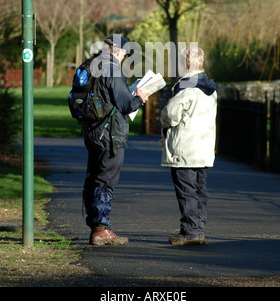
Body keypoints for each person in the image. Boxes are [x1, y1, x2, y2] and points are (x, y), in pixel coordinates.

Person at [82, 34, 149, 246]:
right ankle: (101, 229)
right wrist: (139, 97)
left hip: (93, 132)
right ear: (119, 51)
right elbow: (126, 104)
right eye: (125, 54)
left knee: (94, 178)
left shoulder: (90, 64)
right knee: (105, 182)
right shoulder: (112, 69)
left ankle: (96, 227)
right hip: (109, 135)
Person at [160, 46, 217, 245]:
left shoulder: (186, 88)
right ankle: (198, 229)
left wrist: (164, 121)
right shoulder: (210, 88)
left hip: (185, 147)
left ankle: (189, 232)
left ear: (186, 64)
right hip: (204, 146)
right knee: (200, 189)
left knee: (186, 191)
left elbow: (170, 115)